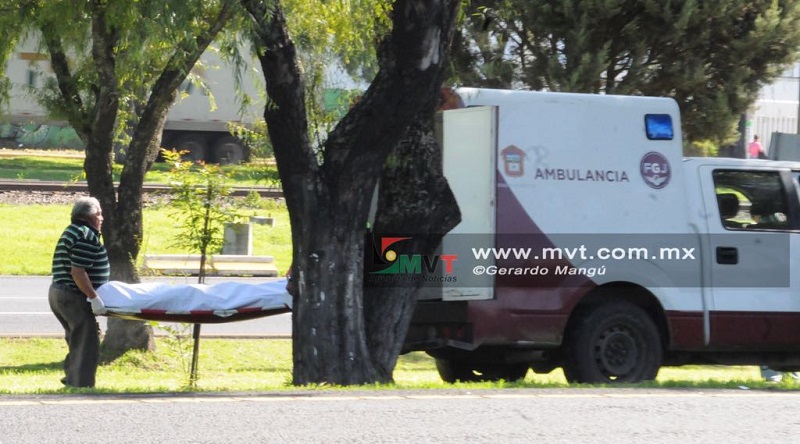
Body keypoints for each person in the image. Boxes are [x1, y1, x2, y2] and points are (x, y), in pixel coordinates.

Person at [48, 196, 109, 388]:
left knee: (77, 338)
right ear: (88, 216)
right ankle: (81, 385)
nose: (102, 218)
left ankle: (72, 378)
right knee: (87, 341)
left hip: (60, 292)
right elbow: (78, 271)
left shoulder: (73, 231)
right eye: (99, 214)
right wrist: (94, 297)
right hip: (72, 294)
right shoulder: (86, 235)